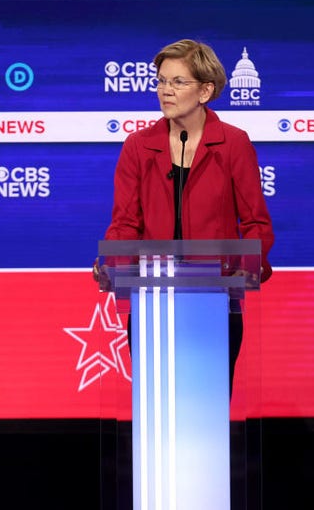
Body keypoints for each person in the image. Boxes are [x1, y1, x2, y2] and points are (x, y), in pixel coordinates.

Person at [94, 38, 274, 394]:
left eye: (178, 82)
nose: (165, 91)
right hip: (153, 299)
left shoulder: (233, 144)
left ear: (206, 90)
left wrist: (248, 264)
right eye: (161, 81)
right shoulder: (138, 146)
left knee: (206, 403)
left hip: (217, 298)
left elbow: (256, 222)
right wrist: (114, 264)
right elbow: (125, 222)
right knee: (158, 402)